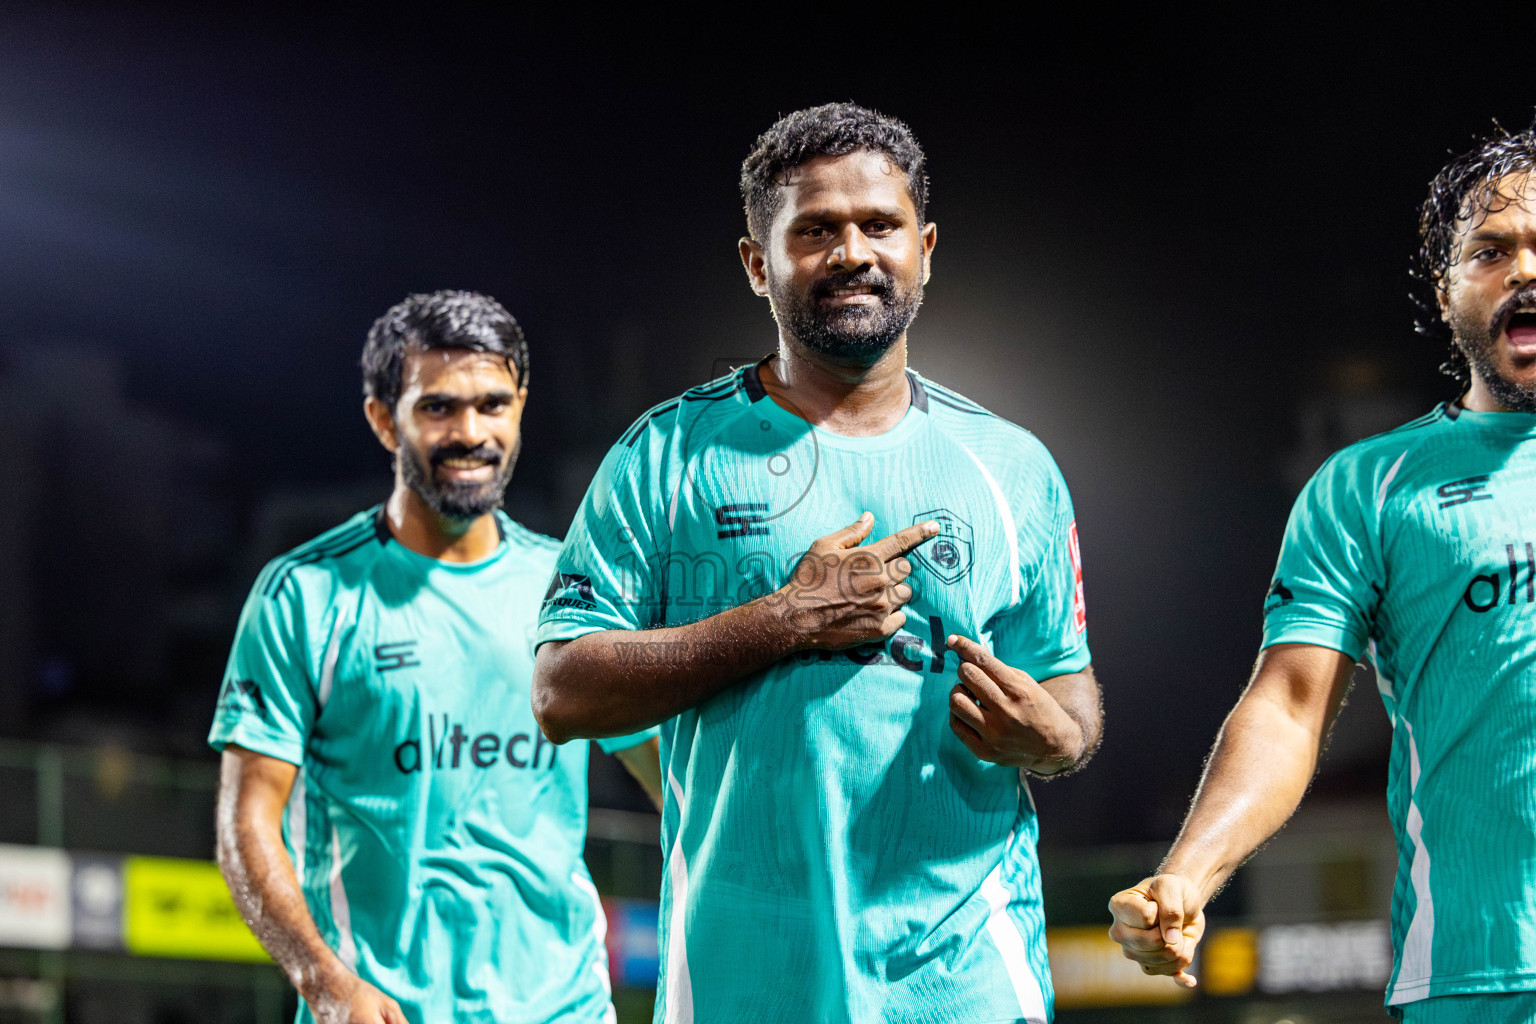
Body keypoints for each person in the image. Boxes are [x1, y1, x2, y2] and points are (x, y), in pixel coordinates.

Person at [533, 103, 1102, 1024]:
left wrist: (1060, 739)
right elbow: (562, 692)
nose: (851, 252)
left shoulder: (1013, 468)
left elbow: (1070, 693)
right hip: (743, 983)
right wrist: (783, 621)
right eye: (815, 231)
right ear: (759, 264)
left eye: (879, 225)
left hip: (965, 982)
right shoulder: (664, 457)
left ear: (924, 245)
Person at [1107, 123, 1536, 1021]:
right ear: (1446, 286)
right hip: (1479, 976)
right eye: (1491, 250)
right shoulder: (1367, 488)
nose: (1525, 272)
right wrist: (1186, 873)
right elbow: (1291, 708)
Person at [210, 291, 661, 1024]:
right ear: (384, 420)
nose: (471, 432)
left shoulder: (571, 592)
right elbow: (247, 818)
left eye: (492, 404)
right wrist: (324, 982)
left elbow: (678, 789)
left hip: (564, 1009)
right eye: (439, 408)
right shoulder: (304, 595)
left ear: (520, 407)